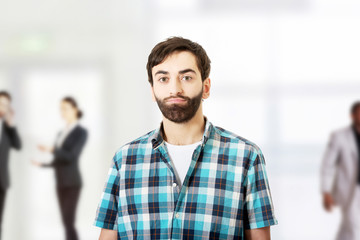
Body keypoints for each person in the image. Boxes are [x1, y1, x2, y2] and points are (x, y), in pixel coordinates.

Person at [94, 37, 278, 240]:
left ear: (206, 87)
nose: (175, 89)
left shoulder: (246, 157)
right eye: (163, 79)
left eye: (186, 77)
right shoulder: (125, 160)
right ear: (152, 90)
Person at [32, 96, 87, 240]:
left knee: (69, 222)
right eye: (61, 109)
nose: (62, 112)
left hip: (72, 182)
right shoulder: (60, 133)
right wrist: (43, 164)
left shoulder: (81, 132)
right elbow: (59, 160)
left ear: (75, 110)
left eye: (65, 108)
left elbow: (71, 156)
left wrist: (51, 149)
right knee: (65, 222)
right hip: (60, 181)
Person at [321, 101, 360, 240]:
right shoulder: (339, 136)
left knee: (347, 229)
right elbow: (327, 165)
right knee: (355, 226)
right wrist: (326, 192)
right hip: (350, 189)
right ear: (352, 115)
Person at [0, 91, 21, 239]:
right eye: (0, 103)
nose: (2, 107)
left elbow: (18, 145)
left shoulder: (8, 128)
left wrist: (11, 124)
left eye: (6, 105)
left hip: (1, 181)